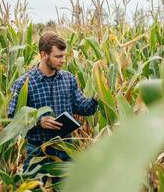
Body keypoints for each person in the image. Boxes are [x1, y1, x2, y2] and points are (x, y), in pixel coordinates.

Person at [7, 32, 98, 186]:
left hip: (65, 149)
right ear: (43, 54)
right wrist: (38, 121)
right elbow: (12, 117)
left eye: (64, 56)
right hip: (37, 150)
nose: (63, 60)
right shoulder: (24, 83)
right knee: (33, 189)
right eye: (58, 56)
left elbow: (83, 107)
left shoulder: (68, 79)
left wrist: (97, 98)